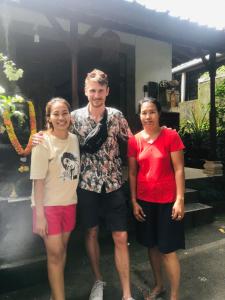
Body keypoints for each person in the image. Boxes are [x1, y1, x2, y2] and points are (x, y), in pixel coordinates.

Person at [33, 70, 135, 300]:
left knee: (120, 236)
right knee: (91, 233)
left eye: (100, 90)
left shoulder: (117, 116)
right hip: (86, 186)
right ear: (85, 91)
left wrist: (157, 135)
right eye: (92, 90)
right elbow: (55, 132)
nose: (96, 95)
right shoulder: (74, 117)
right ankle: (98, 280)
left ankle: (127, 294)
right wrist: (36, 137)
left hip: (114, 184)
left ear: (107, 91)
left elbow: (134, 142)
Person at [128, 97, 185, 300]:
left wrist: (180, 199)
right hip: (145, 201)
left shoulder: (171, 136)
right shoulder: (134, 140)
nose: (148, 116)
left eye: (152, 111)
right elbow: (133, 173)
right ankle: (159, 285)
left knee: (167, 250)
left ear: (159, 114)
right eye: (144, 112)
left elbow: (179, 169)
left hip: (167, 201)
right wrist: (134, 201)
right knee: (151, 246)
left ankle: (175, 296)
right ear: (139, 115)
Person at [30, 97, 80, 300]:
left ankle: (55, 295)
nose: (61, 117)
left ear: (70, 115)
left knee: (62, 251)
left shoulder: (74, 139)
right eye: (56, 114)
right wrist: (40, 215)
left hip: (69, 203)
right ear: (49, 117)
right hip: (48, 207)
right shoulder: (42, 142)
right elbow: (38, 181)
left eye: (64, 113)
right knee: (55, 254)